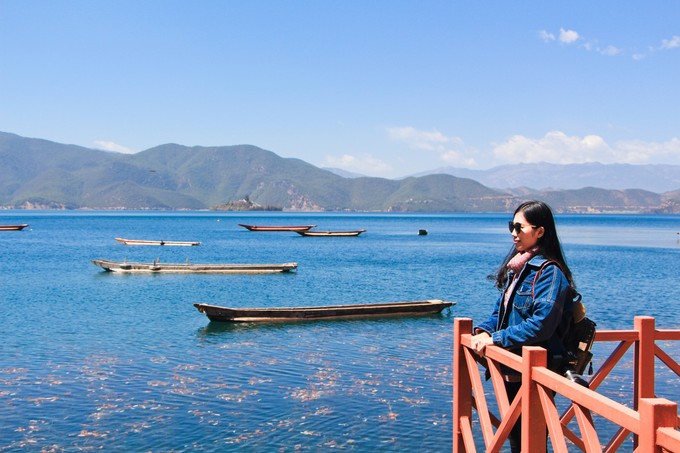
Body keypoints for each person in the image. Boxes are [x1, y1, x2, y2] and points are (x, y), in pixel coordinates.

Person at [470, 200, 576, 452]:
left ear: (540, 231)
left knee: (531, 439)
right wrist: (484, 330)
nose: (513, 233)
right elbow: (501, 311)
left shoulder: (549, 273)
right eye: (511, 226)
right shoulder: (521, 269)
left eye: (520, 227)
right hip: (514, 369)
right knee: (519, 438)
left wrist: (496, 339)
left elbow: (541, 325)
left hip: (535, 371)